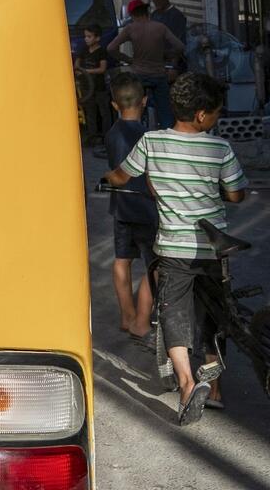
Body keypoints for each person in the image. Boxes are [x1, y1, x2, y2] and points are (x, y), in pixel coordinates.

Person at [105, 72, 248, 424]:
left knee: (174, 311)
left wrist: (105, 180)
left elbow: (123, 176)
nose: (216, 118)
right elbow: (236, 194)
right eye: (215, 112)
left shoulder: (152, 142)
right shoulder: (220, 147)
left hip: (173, 247)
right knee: (214, 315)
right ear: (201, 115)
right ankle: (214, 388)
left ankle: (186, 383)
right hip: (213, 249)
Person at [103, 72, 158, 341]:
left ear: (115, 105)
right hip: (146, 210)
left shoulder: (112, 134)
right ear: (144, 101)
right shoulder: (148, 137)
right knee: (155, 265)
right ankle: (142, 320)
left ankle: (126, 315)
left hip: (121, 207)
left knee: (122, 260)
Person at [106, 0, 184, 128]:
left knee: (135, 107)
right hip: (158, 75)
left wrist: (128, 59)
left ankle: (135, 132)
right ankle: (167, 133)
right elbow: (180, 47)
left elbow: (111, 48)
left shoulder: (130, 29)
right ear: (146, 12)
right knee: (165, 111)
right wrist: (166, 55)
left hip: (139, 74)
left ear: (131, 14)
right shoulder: (160, 27)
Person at [75, 24, 113, 146]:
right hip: (86, 89)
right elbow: (77, 66)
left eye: (89, 36)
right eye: (85, 36)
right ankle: (92, 136)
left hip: (99, 88)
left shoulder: (101, 52)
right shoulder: (83, 50)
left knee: (104, 112)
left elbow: (102, 69)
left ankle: (107, 136)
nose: (86, 39)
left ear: (97, 38)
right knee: (90, 113)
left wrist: (86, 71)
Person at [150, 0, 188, 69]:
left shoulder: (176, 16)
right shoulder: (154, 15)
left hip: (171, 65)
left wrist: (173, 66)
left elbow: (179, 44)